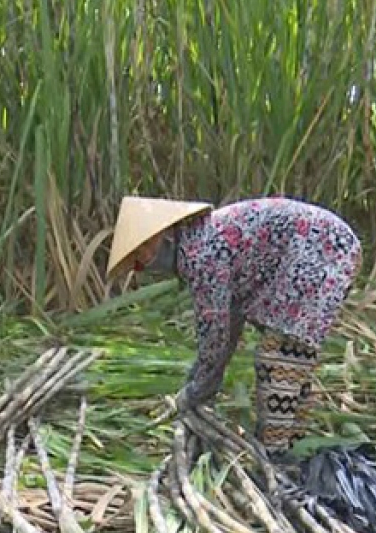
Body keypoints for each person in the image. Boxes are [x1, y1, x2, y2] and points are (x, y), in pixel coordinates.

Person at [106, 196, 362, 458]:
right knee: (288, 356)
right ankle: (293, 444)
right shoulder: (201, 242)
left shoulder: (201, 253)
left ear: (160, 237)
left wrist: (196, 391)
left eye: (142, 253)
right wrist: (200, 380)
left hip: (323, 249)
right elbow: (228, 323)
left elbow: (215, 334)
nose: (145, 263)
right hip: (320, 248)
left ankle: (277, 457)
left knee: (279, 357)